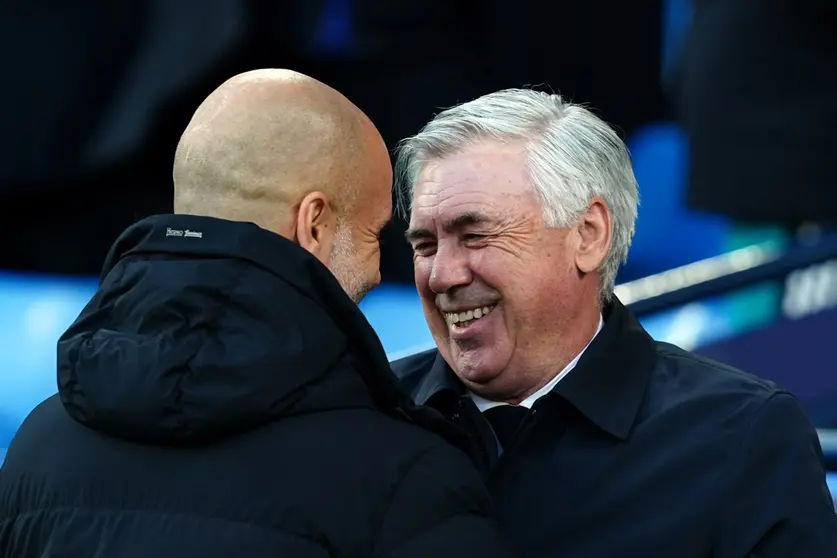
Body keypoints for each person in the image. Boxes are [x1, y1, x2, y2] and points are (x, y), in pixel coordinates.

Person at [0, 69, 516, 558]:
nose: (380, 271)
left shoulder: (34, 451)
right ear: (312, 223)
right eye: (372, 232)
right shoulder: (408, 481)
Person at [391, 88, 837, 557]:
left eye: (476, 236)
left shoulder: (744, 436)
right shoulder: (370, 412)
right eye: (425, 245)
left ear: (588, 235)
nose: (442, 274)